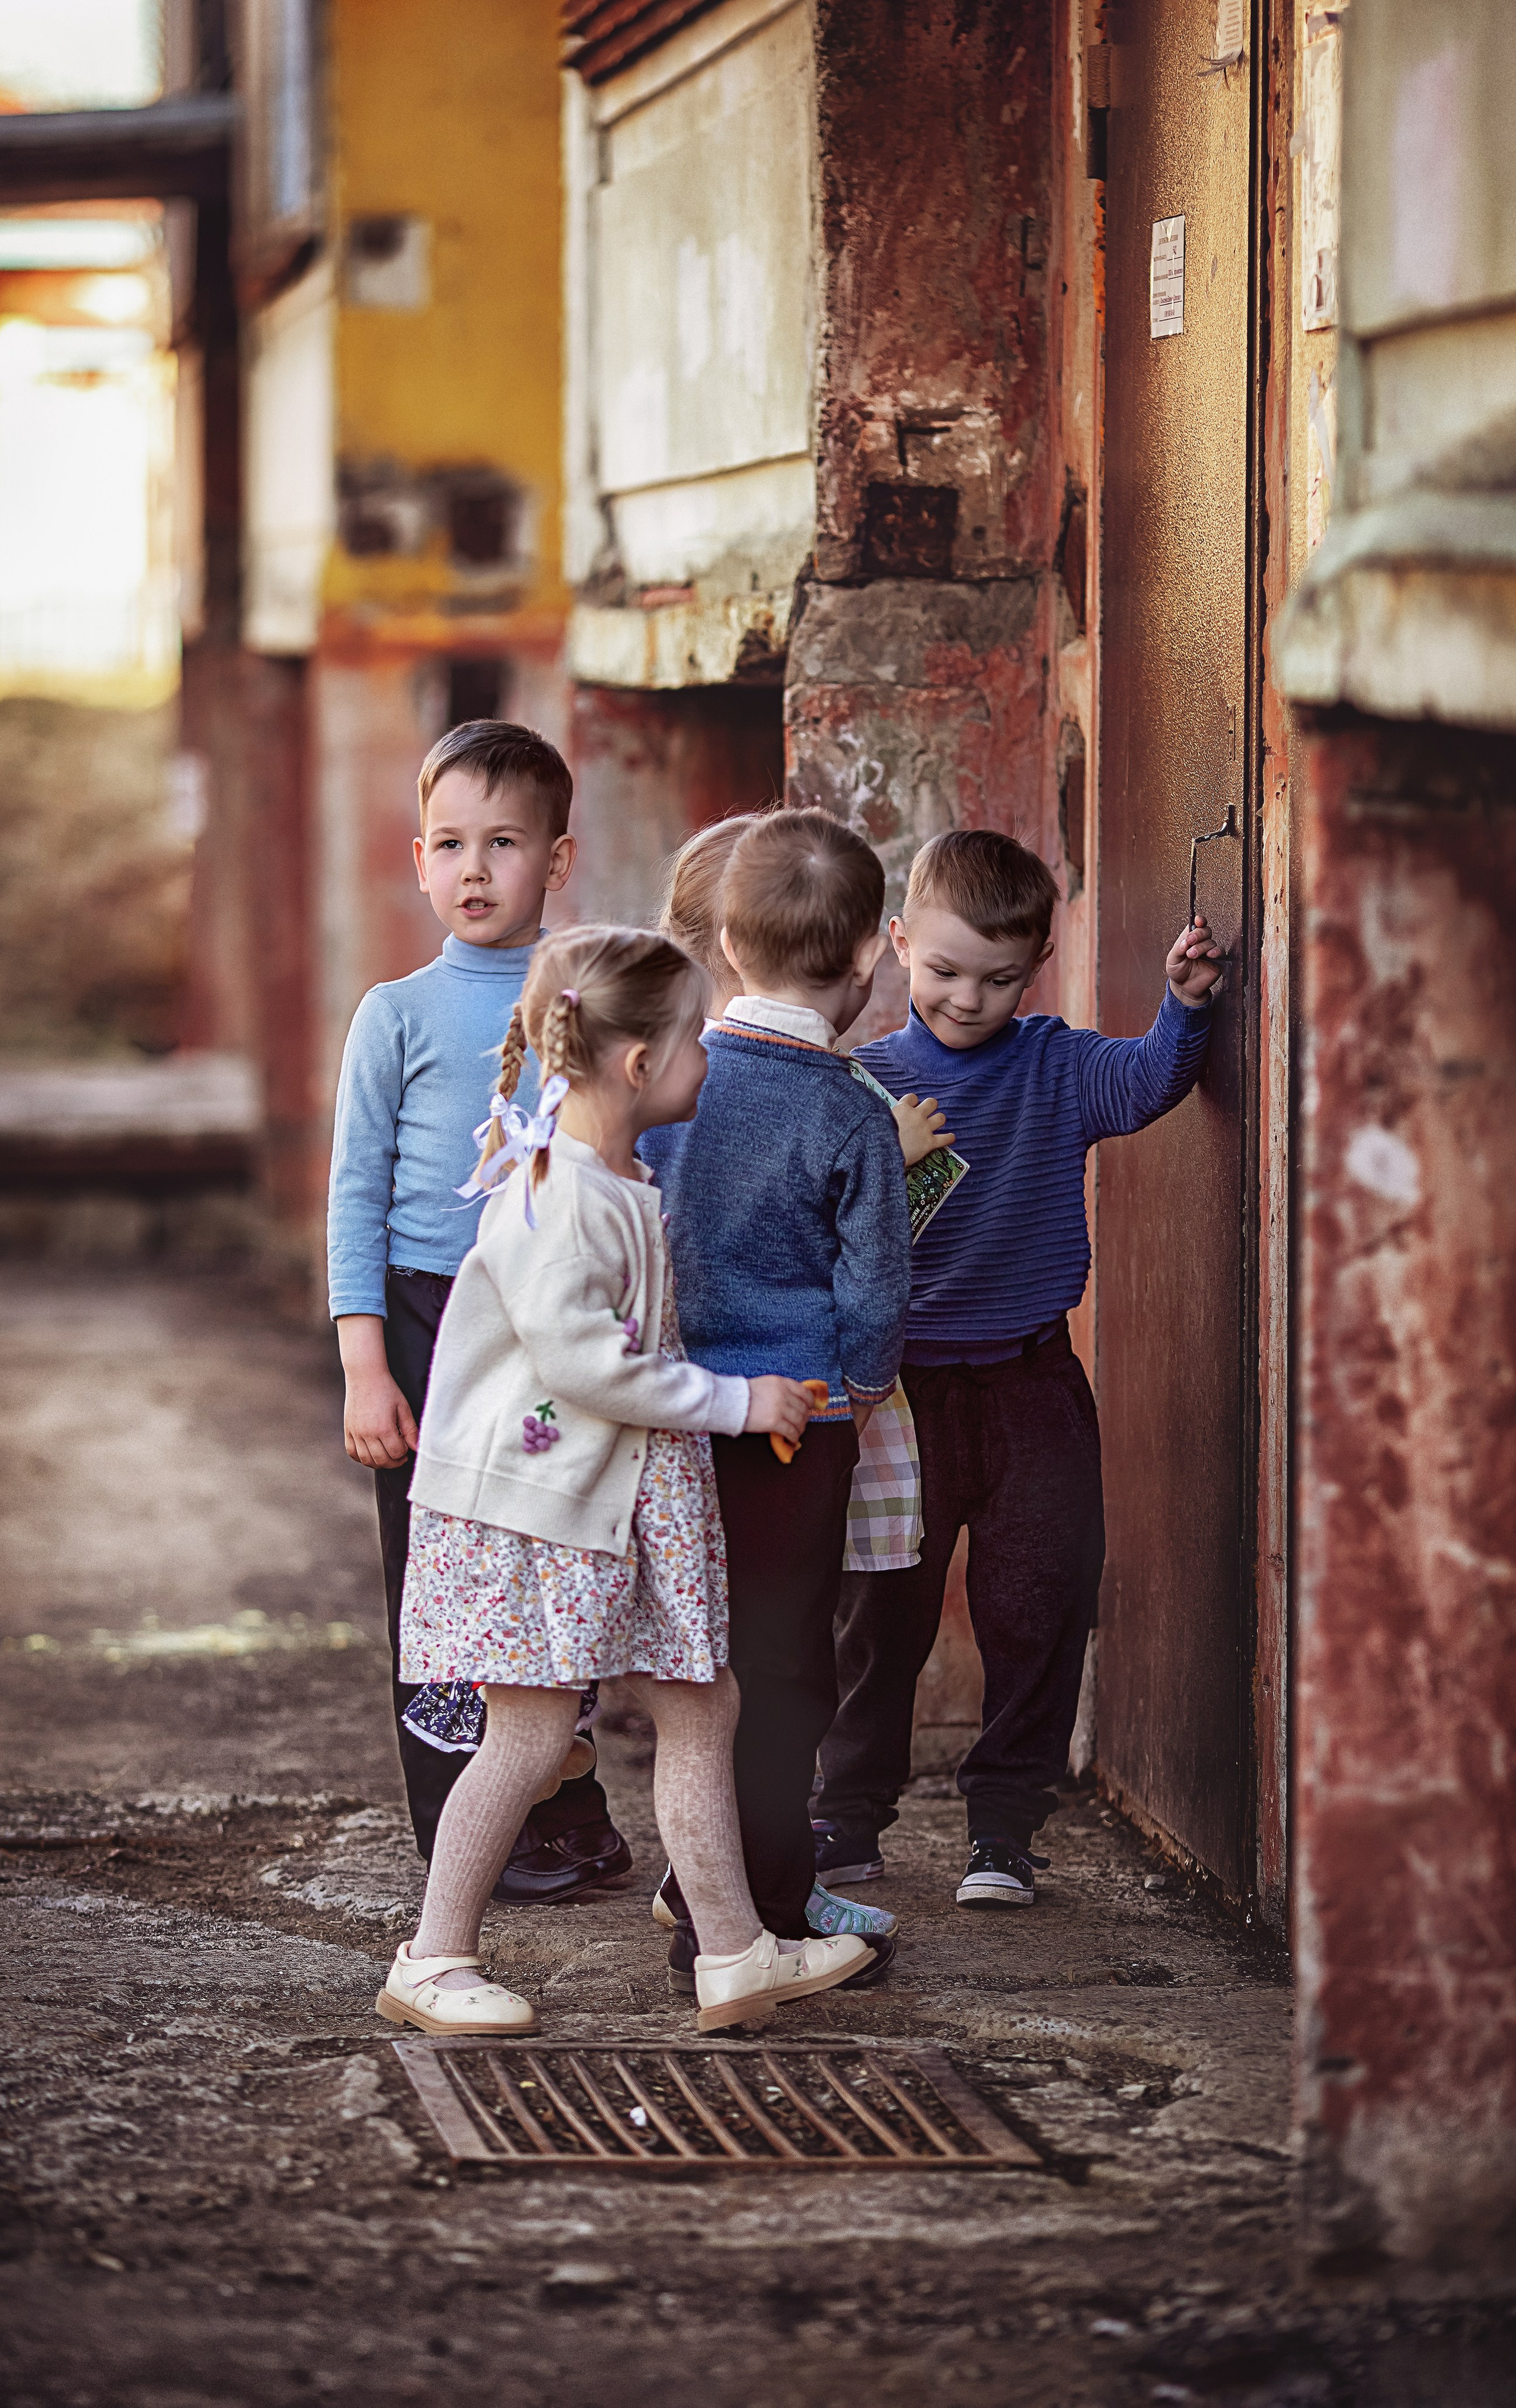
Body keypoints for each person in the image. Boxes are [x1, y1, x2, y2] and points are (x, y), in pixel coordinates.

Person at [376, 924, 871, 2036]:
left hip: (620, 1505)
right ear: (640, 1063)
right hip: (538, 1512)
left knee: (705, 1700)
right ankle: (433, 1953)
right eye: (696, 1034)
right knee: (531, 1732)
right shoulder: (557, 1198)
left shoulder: (613, 1175)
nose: (710, 1053)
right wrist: (741, 1400)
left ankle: (735, 1951)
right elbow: (588, 1369)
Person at [812, 827, 1224, 1909]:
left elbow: (1144, 1085)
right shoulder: (860, 1084)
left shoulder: (1056, 1064)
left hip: (1032, 1382)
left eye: (998, 978)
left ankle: (1003, 1831)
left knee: (1039, 1601)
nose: (965, 999)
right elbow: (819, 1233)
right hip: (894, 1395)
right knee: (877, 1615)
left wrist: (1182, 1009)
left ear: (1034, 965)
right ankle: (843, 1816)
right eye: (943, 970)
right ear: (898, 944)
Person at [327, 719, 630, 1903]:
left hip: (551, 1327)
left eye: (502, 843)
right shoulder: (395, 1015)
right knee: (439, 1580)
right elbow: (354, 1195)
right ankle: (465, 1829)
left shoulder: (594, 997)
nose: (473, 869)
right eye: (449, 843)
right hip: (426, 1317)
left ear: (557, 859)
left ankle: (562, 1800)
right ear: (416, 858)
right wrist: (364, 1366)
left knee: (553, 1562)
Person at [650, 812, 949, 1948]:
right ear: (876, 950)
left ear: (727, 941)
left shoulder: (678, 1079)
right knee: (782, 1667)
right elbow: (875, 1285)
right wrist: (866, 1386)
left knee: (698, 1666)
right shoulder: (848, 1110)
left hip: (673, 1415)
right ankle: (760, 1914)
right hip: (797, 1425)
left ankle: (703, 1893)